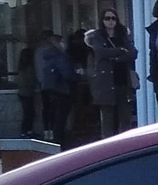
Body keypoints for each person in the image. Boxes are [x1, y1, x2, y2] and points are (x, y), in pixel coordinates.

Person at [83, 8, 135, 137]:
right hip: (105, 83)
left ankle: (126, 146)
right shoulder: (97, 36)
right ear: (102, 20)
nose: (111, 21)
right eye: (107, 18)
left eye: (113, 18)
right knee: (108, 119)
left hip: (123, 80)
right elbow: (100, 52)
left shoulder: (123, 35)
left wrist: (116, 57)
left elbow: (133, 53)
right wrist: (121, 50)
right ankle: (108, 148)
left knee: (125, 118)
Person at [32, 31, 76, 144]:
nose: (63, 44)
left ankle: (50, 135)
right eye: (62, 42)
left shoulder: (45, 55)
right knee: (60, 116)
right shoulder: (60, 57)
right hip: (62, 90)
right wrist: (76, 76)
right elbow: (67, 74)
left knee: (50, 111)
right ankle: (58, 140)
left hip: (47, 87)